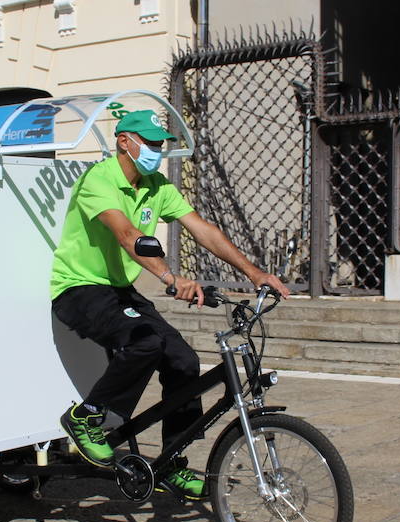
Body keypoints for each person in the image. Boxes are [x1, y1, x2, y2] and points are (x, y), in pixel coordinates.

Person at [50, 109, 290, 499]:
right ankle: (87, 417)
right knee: (144, 343)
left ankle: (170, 463)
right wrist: (170, 277)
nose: (157, 150)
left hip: (119, 291)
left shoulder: (157, 186)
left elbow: (204, 231)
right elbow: (128, 235)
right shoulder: (100, 179)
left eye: (160, 144)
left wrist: (254, 273)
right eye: (150, 142)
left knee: (184, 361)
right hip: (80, 288)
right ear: (124, 141)